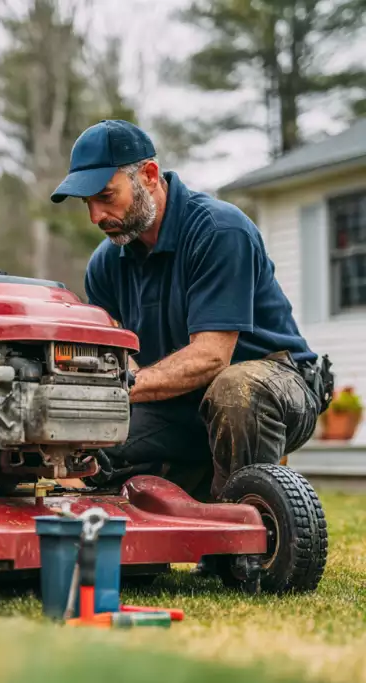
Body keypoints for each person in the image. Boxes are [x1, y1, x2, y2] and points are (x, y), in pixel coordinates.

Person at [51, 119, 333, 501]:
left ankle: (243, 537)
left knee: (236, 390)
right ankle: (149, 533)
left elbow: (211, 358)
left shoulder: (219, 230)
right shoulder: (105, 265)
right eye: (88, 203)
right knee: (89, 449)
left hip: (275, 386)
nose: (96, 216)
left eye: (105, 196)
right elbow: (120, 362)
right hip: (177, 406)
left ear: (149, 175)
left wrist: (116, 387)